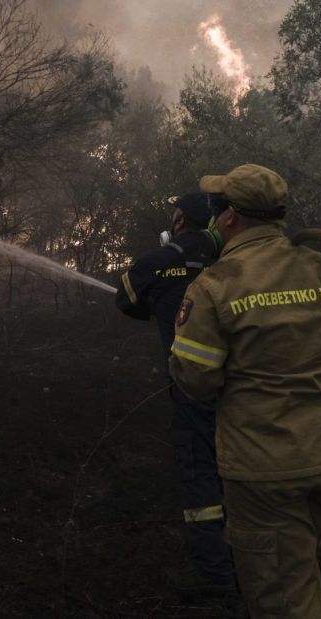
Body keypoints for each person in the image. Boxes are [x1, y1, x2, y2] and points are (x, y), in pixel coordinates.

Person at [169, 164, 321, 619]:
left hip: (264, 470)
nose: (216, 220)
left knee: (280, 597)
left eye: (219, 211)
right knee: (298, 566)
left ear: (232, 217)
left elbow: (195, 379)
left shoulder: (218, 284)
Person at [115, 192, 236, 596]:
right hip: (246, 388)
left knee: (200, 468)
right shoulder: (239, 260)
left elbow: (127, 299)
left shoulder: (159, 261)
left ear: (180, 219)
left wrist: (162, 298)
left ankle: (215, 570)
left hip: (190, 386)